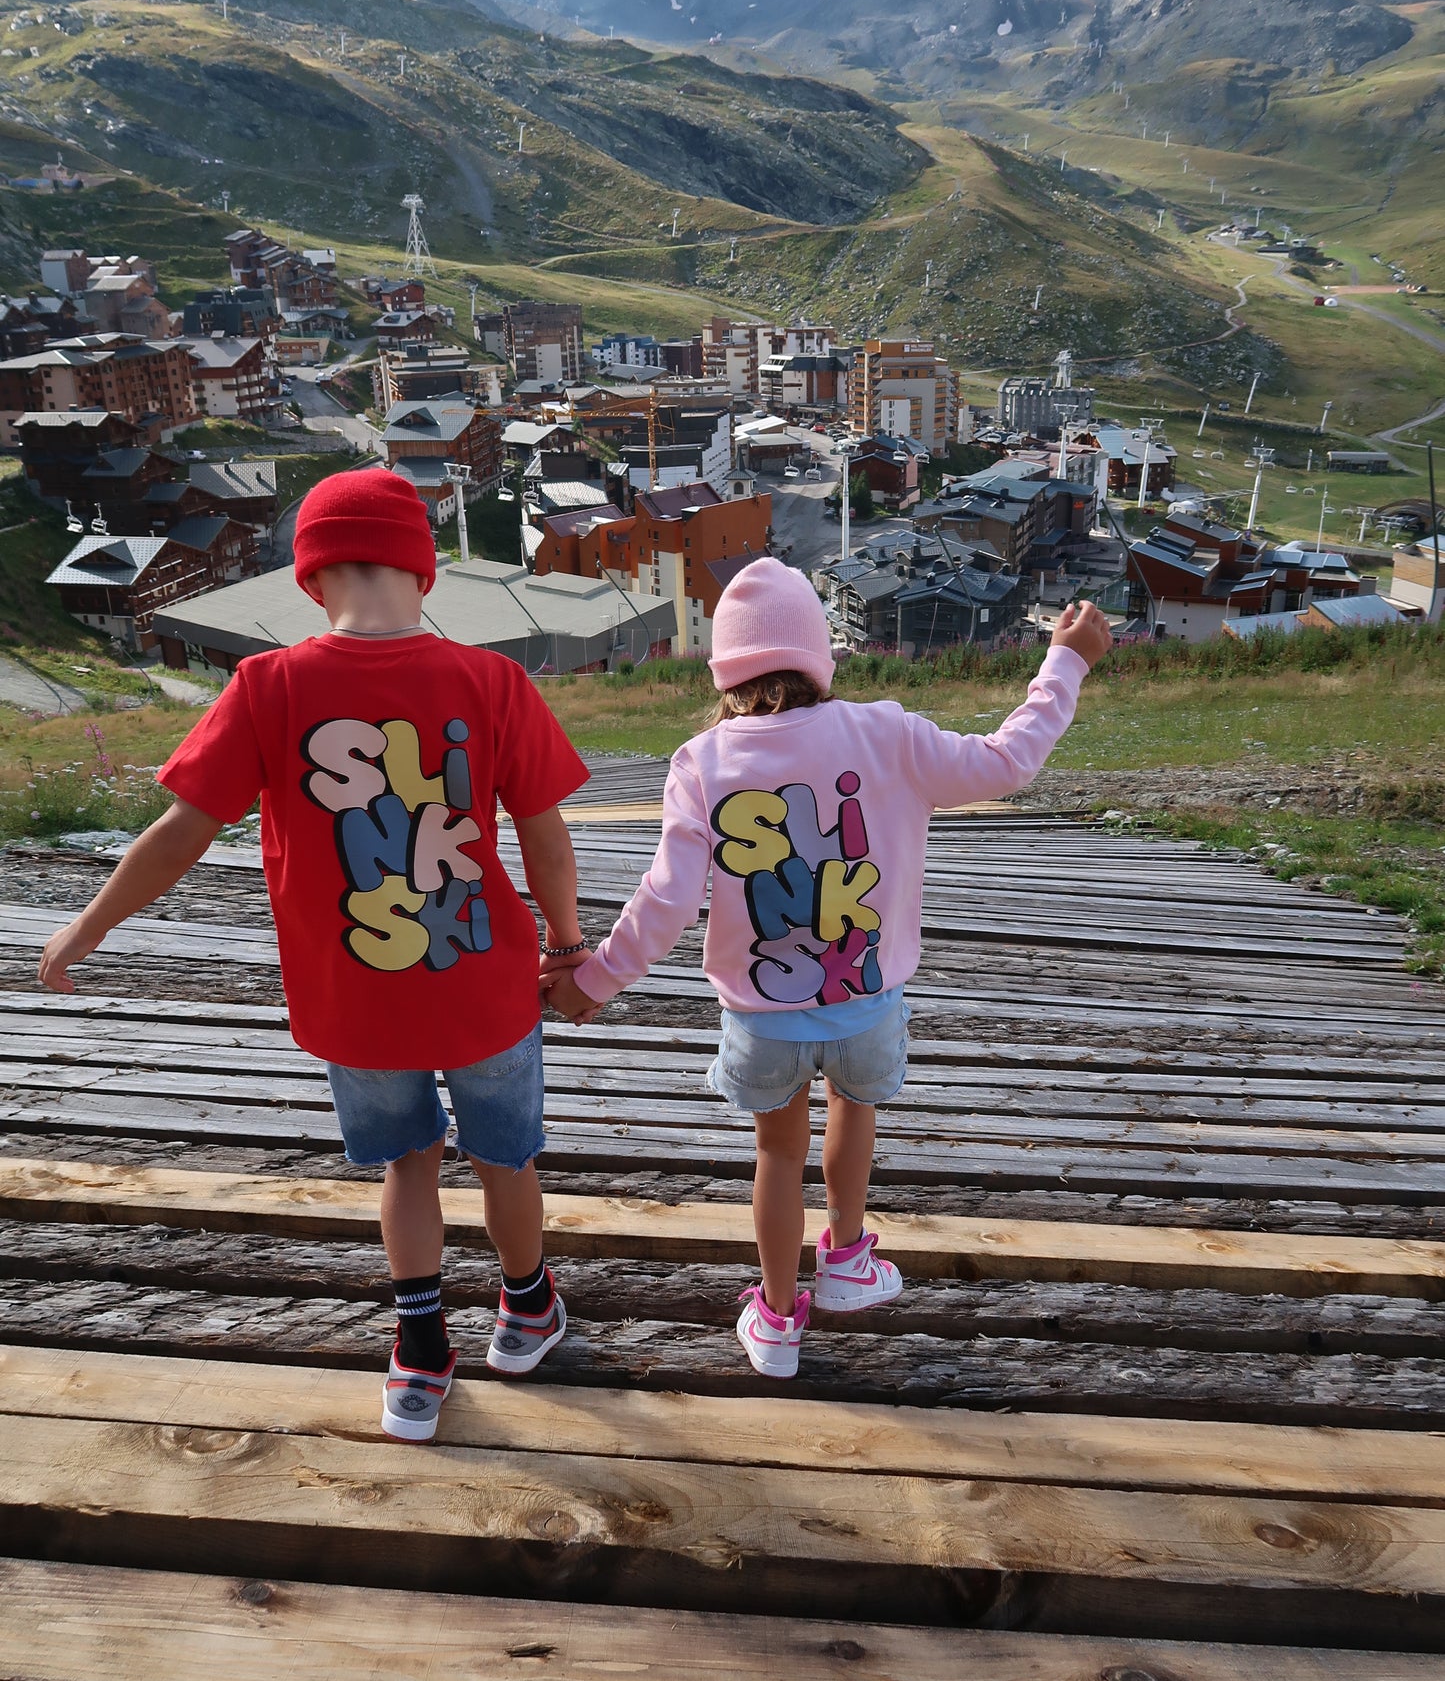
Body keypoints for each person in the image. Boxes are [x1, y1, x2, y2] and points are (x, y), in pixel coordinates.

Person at [38, 467, 590, 1439]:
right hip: (484, 988)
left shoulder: (269, 685)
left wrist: (90, 924)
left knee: (407, 1168)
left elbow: (181, 830)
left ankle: (419, 1352)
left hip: (353, 1001)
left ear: (310, 576)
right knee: (506, 1160)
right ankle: (524, 1307)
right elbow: (545, 837)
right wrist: (567, 942)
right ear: (423, 570)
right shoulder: (492, 680)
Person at [546, 557, 1111, 1378]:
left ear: (726, 672)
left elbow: (665, 901)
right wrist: (1065, 662)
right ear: (818, 658)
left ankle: (776, 1319)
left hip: (761, 1017)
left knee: (777, 1154)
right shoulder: (885, 731)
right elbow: (1004, 763)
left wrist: (593, 980)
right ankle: (845, 1258)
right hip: (867, 1002)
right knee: (854, 1108)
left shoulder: (701, 762)